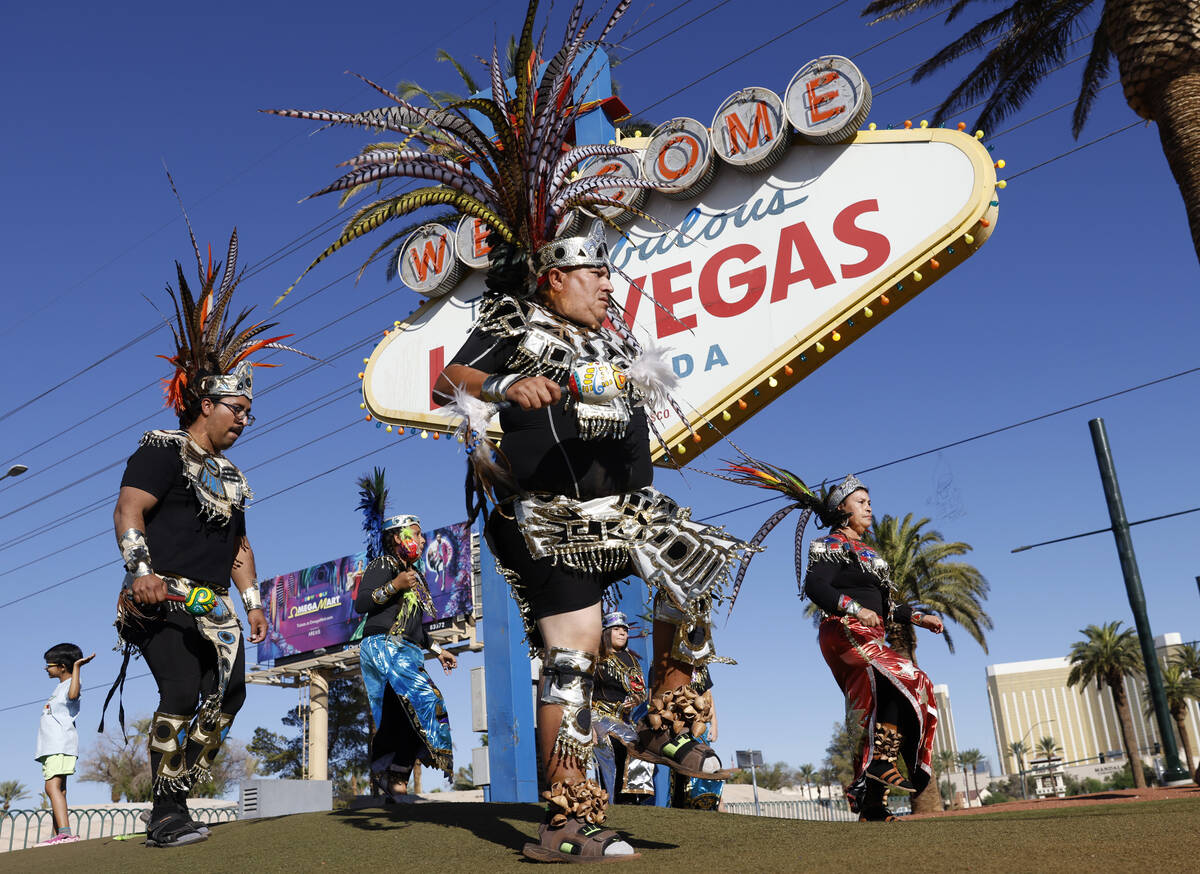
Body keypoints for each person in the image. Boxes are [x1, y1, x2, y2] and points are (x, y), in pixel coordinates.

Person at [439, 223, 752, 863]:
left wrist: (642, 493)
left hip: (621, 509)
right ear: (554, 279)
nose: (609, 285)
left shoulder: (611, 342)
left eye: (610, 273)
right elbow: (449, 380)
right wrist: (505, 387)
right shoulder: (516, 328)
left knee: (690, 576)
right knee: (573, 657)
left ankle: (660, 724)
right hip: (549, 516)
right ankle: (566, 819)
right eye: (595, 274)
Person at [105, 222, 306, 847]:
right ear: (205, 405)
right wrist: (141, 573)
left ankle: (177, 797)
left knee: (232, 693)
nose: (245, 418)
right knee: (183, 687)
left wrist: (253, 605)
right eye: (236, 409)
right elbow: (127, 511)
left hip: (212, 604)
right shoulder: (161, 452)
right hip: (158, 595)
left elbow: (239, 547)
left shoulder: (233, 477)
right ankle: (166, 815)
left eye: (249, 411)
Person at [720, 458, 942, 822]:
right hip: (844, 632)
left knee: (887, 697)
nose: (869, 507)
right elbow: (815, 586)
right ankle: (886, 763)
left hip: (870, 634)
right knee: (911, 677)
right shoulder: (827, 545)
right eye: (861, 501)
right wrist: (854, 609)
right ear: (842, 509)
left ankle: (873, 803)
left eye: (870, 501)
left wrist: (920, 617)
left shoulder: (873, 557)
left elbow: (888, 607)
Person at [354, 514, 456, 801]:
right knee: (425, 704)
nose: (422, 539)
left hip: (407, 650)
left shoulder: (416, 576)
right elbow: (362, 603)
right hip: (384, 646)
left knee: (404, 718)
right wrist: (395, 585)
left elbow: (415, 626)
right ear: (398, 537)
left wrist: (439, 651)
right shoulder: (383, 565)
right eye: (416, 533)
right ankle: (391, 774)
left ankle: (394, 779)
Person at [34, 643, 94, 847]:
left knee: (51, 787)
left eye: (48, 665)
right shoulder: (59, 687)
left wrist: (77, 668)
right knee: (59, 790)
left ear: (61, 666)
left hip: (59, 745)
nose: (46, 668)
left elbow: (73, 695)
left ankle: (66, 833)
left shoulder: (71, 684)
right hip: (51, 746)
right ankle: (58, 833)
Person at [592, 612, 654, 805]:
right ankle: (613, 797)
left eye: (625, 631)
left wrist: (636, 699)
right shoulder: (597, 658)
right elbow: (584, 690)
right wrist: (586, 722)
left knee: (640, 745)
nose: (622, 633)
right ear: (606, 633)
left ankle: (630, 796)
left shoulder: (632, 660)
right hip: (599, 715)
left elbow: (641, 691)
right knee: (623, 742)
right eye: (617, 629)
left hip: (625, 720)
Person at [668, 665, 724, 811]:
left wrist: (714, 723)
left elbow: (708, 695)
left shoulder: (702, 668)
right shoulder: (673, 664)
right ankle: (680, 804)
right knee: (682, 763)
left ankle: (705, 803)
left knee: (705, 762)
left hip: (701, 725)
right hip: (679, 724)